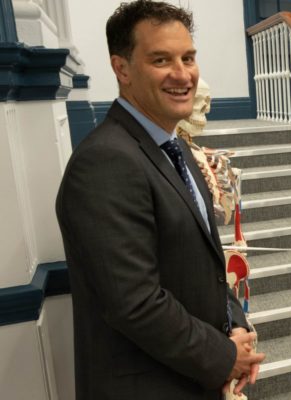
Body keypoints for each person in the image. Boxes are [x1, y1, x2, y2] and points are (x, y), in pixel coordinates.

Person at [55, 1, 265, 398]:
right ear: (122, 69)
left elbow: (206, 264)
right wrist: (223, 355)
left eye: (188, 57)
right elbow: (134, 302)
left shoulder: (177, 150)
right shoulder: (105, 162)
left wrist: (235, 325)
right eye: (161, 59)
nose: (182, 74)